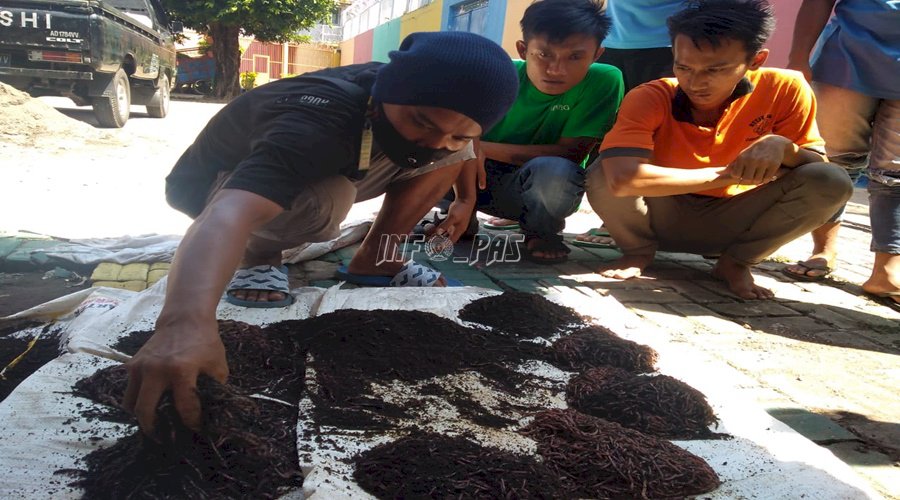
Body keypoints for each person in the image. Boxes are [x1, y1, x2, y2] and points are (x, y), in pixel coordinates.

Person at [123, 31, 519, 432]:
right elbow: (228, 214)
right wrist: (184, 323)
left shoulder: (424, 111)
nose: (436, 142)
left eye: (458, 131)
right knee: (327, 199)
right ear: (388, 92)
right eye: (421, 121)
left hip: (342, 156)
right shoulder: (316, 122)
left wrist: (465, 196)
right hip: (219, 186)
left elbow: (450, 135)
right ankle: (260, 255)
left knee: (452, 153)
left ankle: (378, 258)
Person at [584, 0, 854, 299]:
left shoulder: (787, 88)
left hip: (735, 221)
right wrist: (729, 175)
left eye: (716, 69)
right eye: (683, 67)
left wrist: (784, 148)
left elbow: (817, 166)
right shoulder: (651, 95)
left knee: (832, 180)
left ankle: (736, 263)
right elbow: (622, 180)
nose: (696, 82)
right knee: (601, 172)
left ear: (756, 60)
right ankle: (637, 252)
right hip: (658, 214)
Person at [464, 0, 623, 264]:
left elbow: (571, 153)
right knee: (441, 152)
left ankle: (540, 231)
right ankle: (458, 216)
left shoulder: (604, 80)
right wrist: (470, 150)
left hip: (541, 186)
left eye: (575, 56)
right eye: (544, 54)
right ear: (523, 49)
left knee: (556, 171)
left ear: (596, 55)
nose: (556, 70)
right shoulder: (497, 75)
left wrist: (481, 147)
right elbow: (458, 137)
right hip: (475, 179)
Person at [784, 0, 899, 310]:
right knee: (835, 161)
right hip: (847, 61)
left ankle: (887, 270)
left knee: (895, 174)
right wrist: (798, 57)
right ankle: (823, 249)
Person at [573, 0, 684, 248]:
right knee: (600, 129)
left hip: (672, 41)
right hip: (611, 39)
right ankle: (540, 207)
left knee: (656, 131)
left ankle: (632, 220)